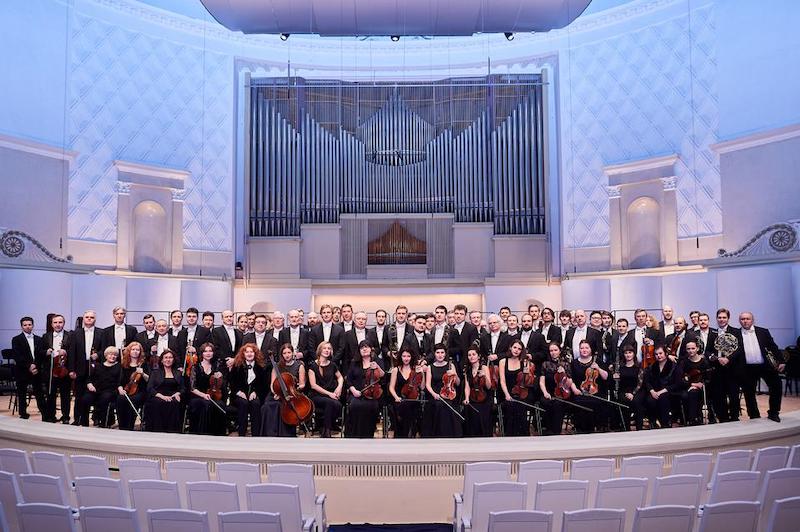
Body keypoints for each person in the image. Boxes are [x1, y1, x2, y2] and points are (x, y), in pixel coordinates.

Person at [738, 312, 784, 422]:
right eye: (743, 319)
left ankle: (773, 412)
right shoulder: (736, 333)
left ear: (752, 320)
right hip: (747, 368)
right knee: (749, 393)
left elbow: (773, 347)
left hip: (765, 366)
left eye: (747, 319)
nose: (745, 321)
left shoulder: (763, 331)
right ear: (740, 321)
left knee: (776, 386)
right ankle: (754, 416)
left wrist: (781, 361)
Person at [261, 343, 307, 437]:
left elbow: (302, 384)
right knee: (266, 407)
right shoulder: (277, 366)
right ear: (282, 354)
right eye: (284, 353)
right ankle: (270, 433)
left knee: (283, 406)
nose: (287, 355)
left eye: (289, 352)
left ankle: (285, 434)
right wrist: (276, 393)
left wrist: (293, 390)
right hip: (277, 393)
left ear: (293, 353)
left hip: (292, 394)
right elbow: (272, 384)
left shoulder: (299, 365)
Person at [68, 310, 103, 425]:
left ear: (95, 319)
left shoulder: (101, 332)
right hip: (79, 368)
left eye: (91, 317)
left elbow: (105, 349)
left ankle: (96, 418)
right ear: (83, 319)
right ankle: (78, 419)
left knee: (96, 394)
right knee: (79, 395)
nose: (89, 319)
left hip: (96, 368)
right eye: (87, 317)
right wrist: (71, 369)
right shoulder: (75, 333)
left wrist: (98, 354)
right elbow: (72, 352)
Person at [640, 345, 686, 429]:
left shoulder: (674, 366)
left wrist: (662, 391)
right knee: (650, 400)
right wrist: (652, 391)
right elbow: (647, 382)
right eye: (656, 354)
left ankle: (665, 423)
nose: (659, 356)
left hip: (670, 391)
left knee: (663, 398)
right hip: (655, 391)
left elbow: (678, 383)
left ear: (666, 354)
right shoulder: (652, 367)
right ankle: (653, 422)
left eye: (661, 353)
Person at [187, 342, 227, 435]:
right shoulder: (195, 367)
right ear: (202, 353)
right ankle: (201, 434)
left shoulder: (217, 367)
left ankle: (217, 435)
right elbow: (192, 388)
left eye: (210, 351)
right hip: (198, 396)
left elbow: (221, 387)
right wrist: (203, 395)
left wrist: (220, 378)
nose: (208, 353)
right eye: (205, 351)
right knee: (204, 405)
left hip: (213, 396)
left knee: (220, 404)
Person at [570, 340, 610, 433]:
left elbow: (606, 377)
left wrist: (598, 368)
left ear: (591, 349)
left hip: (595, 391)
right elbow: (570, 378)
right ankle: (581, 429)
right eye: (582, 348)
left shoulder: (598, 361)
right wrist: (575, 389)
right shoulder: (574, 363)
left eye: (586, 348)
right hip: (580, 392)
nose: (584, 350)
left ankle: (596, 427)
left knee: (597, 402)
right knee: (579, 402)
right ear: (579, 350)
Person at [346, 340, 384, 438]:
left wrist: (378, 368)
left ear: (371, 349)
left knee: (372, 406)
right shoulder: (354, 362)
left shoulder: (378, 361)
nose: (364, 349)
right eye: (362, 348)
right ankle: (355, 434)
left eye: (366, 347)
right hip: (356, 394)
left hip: (373, 395)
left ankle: (368, 434)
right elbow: (349, 380)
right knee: (355, 405)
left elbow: (383, 377)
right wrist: (353, 390)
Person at [423, 343, 463, 438]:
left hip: (449, 394)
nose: (440, 355)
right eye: (438, 352)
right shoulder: (430, 367)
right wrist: (434, 394)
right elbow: (428, 385)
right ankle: (439, 434)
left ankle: (450, 434)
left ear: (445, 354)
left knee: (449, 405)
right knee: (439, 405)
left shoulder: (451, 365)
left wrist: (455, 374)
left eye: (442, 352)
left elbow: (457, 383)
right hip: (436, 396)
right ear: (434, 354)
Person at [11, 316, 47, 420]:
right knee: (22, 393)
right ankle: (23, 414)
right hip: (22, 370)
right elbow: (17, 356)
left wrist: (35, 365)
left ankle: (45, 414)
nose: (27, 327)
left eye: (29, 324)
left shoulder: (39, 339)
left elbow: (40, 355)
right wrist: (29, 366)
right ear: (21, 326)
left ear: (33, 325)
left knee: (39, 393)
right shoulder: (16, 339)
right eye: (25, 325)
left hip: (36, 370)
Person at [229, 343, 268, 436]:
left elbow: (264, 385)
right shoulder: (237, 366)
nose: (249, 354)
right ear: (243, 354)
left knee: (255, 403)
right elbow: (232, 383)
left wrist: (256, 392)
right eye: (247, 352)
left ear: (255, 354)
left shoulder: (261, 367)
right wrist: (239, 392)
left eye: (252, 352)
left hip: (255, 395)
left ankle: (256, 434)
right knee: (243, 403)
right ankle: (241, 433)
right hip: (239, 394)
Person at [78, 346, 121, 427]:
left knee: (105, 398)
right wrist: (89, 384)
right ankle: (84, 423)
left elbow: (119, 381)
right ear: (106, 355)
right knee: (85, 399)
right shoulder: (98, 365)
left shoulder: (119, 366)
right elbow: (89, 379)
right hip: (96, 390)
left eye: (115, 355)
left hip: (110, 390)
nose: (113, 356)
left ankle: (103, 423)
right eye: (110, 354)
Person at [308, 341, 343, 438]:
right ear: (320, 350)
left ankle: (323, 427)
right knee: (329, 403)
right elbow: (313, 385)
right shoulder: (313, 366)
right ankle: (327, 430)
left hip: (331, 395)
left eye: (329, 349)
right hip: (317, 396)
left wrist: (339, 387)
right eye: (325, 348)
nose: (327, 350)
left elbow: (340, 377)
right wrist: (329, 394)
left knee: (336, 404)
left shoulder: (332, 365)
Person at [499, 339, 534, 436]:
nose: (516, 350)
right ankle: (509, 435)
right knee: (510, 405)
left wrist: (528, 374)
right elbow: (502, 381)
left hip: (522, 393)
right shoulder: (503, 361)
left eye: (519, 349)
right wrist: (507, 395)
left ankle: (522, 435)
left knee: (520, 405)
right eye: (514, 347)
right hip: (507, 393)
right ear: (510, 347)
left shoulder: (524, 362)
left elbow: (529, 383)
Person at [42, 313, 72, 423]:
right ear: (51, 324)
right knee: (51, 394)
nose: (58, 324)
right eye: (55, 322)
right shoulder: (46, 336)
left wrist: (66, 352)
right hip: (51, 371)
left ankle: (65, 417)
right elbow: (39, 352)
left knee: (65, 395)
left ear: (64, 323)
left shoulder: (70, 336)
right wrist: (46, 352)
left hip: (64, 370)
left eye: (60, 322)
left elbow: (74, 352)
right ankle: (51, 416)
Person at [145, 349, 184, 433]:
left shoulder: (178, 373)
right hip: (158, 395)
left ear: (173, 360)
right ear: (162, 360)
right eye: (165, 357)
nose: (168, 359)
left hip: (173, 395)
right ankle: (158, 431)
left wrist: (178, 393)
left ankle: (172, 432)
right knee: (159, 403)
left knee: (175, 403)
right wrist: (162, 396)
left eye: (170, 357)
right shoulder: (155, 372)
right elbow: (149, 388)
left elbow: (183, 388)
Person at [389, 349, 424, 438]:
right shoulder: (395, 370)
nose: (406, 358)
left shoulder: (415, 370)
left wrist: (422, 373)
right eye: (404, 356)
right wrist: (396, 397)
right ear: (400, 357)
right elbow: (391, 388)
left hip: (412, 399)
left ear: (411, 357)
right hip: (399, 399)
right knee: (404, 407)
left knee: (411, 406)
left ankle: (409, 433)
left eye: (408, 356)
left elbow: (422, 387)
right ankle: (406, 434)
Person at [538, 342, 571, 435]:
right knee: (546, 402)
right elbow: (541, 381)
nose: (553, 352)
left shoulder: (566, 364)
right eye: (551, 351)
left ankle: (556, 431)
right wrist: (545, 392)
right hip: (548, 392)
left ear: (560, 351)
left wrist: (564, 373)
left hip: (561, 392)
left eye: (555, 350)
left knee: (558, 404)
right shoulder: (545, 364)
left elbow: (569, 384)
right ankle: (547, 430)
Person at [116, 341, 149, 431]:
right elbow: (119, 381)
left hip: (140, 391)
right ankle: (122, 426)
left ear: (140, 352)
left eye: (137, 350)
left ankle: (129, 426)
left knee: (134, 400)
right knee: (120, 399)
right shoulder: (123, 364)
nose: (135, 351)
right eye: (133, 349)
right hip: (126, 389)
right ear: (129, 351)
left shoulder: (144, 364)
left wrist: (143, 373)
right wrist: (120, 389)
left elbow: (149, 380)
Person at [462, 346, 493, 437]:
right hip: (472, 398)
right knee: (469, 411)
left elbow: (489, 386)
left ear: (478, 356)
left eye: (474, 354)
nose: (471, 357)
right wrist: (467, 398)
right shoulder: (467, 369)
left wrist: (485, 376)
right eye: (469, 355)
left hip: (484, 399)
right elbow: (467, 386)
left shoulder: (484, 368)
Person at [680, 339, 710, 425]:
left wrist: (700, 384)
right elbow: (680, 378)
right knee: (685, 395)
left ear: (697, 348)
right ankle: (690, 418)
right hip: (687, 386)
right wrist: (692, 384)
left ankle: (694, 419)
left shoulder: (704, 362)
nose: (690, 351)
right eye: (688, 349)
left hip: (702, 387)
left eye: (693, 348)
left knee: (693, 393)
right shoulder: (684, 362)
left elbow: (708, 378)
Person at [613, 345, 643, 430]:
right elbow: (617, 381)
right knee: (623, 401)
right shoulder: (619, 367)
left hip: (636, 391)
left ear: (634, 354)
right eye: (626, 353)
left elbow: (640, 383)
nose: (628, 355)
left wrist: (632, 393)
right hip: (623, 391)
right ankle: (625, 428)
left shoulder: (638, 366)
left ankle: (639, 429)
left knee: (637, 402)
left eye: (630, 352)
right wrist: (614, 376)